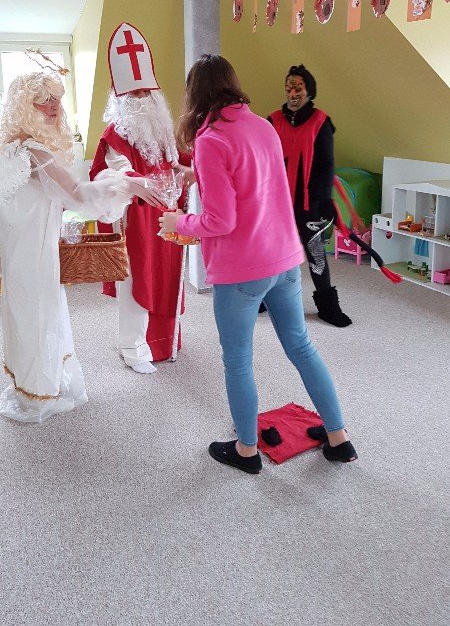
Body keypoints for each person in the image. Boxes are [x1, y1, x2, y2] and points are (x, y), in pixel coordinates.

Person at [159, 55, 357, 474]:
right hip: (283, 259)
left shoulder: (211, 140)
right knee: (301, 346)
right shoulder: (263, 125)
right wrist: (197, 174)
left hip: (243, 270)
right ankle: (338, 438)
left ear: (195, 94)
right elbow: (255, 180)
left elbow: (220, 221)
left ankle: (246, 451)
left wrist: (180, 223)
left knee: (237, 361)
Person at [0, 68, 160, 423]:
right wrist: (123, 184)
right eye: (44, 101)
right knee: (40, 314)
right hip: (33, 250)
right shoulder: (34, 150)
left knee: (25, 313)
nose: (53, 107)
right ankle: (39, 394)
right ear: (25, 105)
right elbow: (76, 194)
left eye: (56, 100)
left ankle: (29, 386)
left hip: (17, 250)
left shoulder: (9, 148)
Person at [90, 23, 192, 372]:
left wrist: (200, 163)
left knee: (167, 279)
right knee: (137, 280)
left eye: (146, 92)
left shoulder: (163, 129)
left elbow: (179, 160)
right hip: (137, 218)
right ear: (120, 98)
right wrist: (140, 182)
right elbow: (116, 169)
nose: (141, 100)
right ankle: (132, 347)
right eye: (133, 95)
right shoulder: (115, 133)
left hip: (168, 216)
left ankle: (164, 341)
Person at [267, 64, 352, 327]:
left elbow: (326, 165)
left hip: (309, 203)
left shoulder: (320, 121)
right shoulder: (272, 120)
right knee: (271, 252)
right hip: (276, 203)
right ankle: (264, 297)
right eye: (288, 87)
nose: (292, 93)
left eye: (298, 88)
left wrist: (324, 201)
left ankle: (327, 307)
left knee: (316, 254)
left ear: (309, 91)